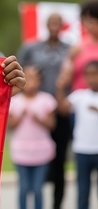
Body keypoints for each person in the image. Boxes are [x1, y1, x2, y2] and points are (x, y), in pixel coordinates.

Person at [17, 13, 71, 209]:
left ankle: (57, 203)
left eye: (58, 22)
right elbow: (20, 69)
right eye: (51, 22)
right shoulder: (32, 48)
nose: (55, 26)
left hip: (59, 110)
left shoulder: (69, 49)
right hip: (36, 106)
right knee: (36, 155)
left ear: (62, 25)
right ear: (46, 25)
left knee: (60, 162)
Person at [8, 66, 56, 209]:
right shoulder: (15, 101)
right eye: (27, 77)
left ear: (40, 81)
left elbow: (52, 124)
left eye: (34, 78)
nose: (30, 82)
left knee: (37, 189)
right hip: (21, 151)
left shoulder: (47, 100)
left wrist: (39, 119)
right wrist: (21, 116)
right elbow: (11, 125)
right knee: (23, 188)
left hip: (41, 151)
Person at [56, 60, 98, 209]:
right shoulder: (80, 96)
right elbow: (63, 109)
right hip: (82, 150)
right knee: (83, 190)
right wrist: (60, 88)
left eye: (95, 74)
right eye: (88, 75)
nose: (91, 79)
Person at [58, 0, 98, 92]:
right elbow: (65, 79)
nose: (88, 25)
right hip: (79, 98)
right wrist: (70, 59)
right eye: (85, 21)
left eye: (92, 21)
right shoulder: (78, 47)